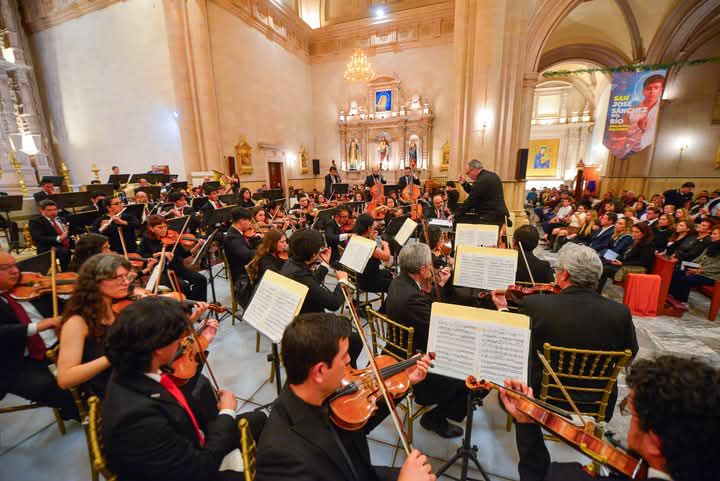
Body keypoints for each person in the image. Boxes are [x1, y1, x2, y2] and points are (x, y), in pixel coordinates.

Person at [255, 312, 436, 481]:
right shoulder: (283, 459)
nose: (349, 360)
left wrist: (405, 380)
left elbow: (357, 422)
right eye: (343, 357)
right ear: (319, 371)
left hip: (361, 468)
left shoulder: (317, 391)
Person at [102, 296, 265, 481]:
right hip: (195, 468)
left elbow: (179, 382)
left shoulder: (133, 365)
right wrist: (227, 412)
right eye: (178, 339)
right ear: (159, 348)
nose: (183, 342)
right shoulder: (138, 419)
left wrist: (202, 341)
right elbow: (201, 468)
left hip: (187, 442)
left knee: (258, 419)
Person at [501, 355, 716, 481]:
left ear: (655, 442)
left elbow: (537, 476)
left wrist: (525, 421)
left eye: (632, 413)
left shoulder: (567, 476)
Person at [491, 243, 638, 422]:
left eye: (557, 271)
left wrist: (502, 309)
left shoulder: (536, 305)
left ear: (565, 274)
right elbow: (630, 354)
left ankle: (527, 426)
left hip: (540, 398)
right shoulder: (620, 313)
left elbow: (512, 343)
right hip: (597, 402)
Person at [385, 243, 467, 439]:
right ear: (422, 270)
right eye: (430, 265)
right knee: (469, 377)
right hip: (413, 359)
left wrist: (439, 286)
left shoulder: (398, 282)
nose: (432, 268)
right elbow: (440, 328)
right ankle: (435, 418)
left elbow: (424, 305)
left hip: (397, 345)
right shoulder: (413, 300)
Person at [0, 251, 77, 419]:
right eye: (6, 268)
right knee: (50, 386)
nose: (15, 271)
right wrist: (36, 327)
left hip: (60, 343)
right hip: (20, 361)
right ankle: (81, 413)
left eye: (15, 265)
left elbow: (63, 306)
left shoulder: (30, 286)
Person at [56, 254, 133, 395]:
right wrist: (112, 357)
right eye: (118, 278)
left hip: (129, 376)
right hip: (110, 388)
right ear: (95, 282)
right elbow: (65, 379)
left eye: (126, 276)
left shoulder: (117, 308)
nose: (126, 282)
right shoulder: (77, 323)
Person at [138, 215, 208, 302]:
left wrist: (198, 245)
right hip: (161, 273)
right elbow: (144, 258)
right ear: (151, 228)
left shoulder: (172, 237)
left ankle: (201, 304)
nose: (164, 230)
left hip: (177, 267)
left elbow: (184, 254)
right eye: (160, 227)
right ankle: (190, 304)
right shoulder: (146, 241)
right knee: (183, 286)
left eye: (165, 227)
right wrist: (161, 254)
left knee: (201, 279)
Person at [280, 229, 349, 314]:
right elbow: (334, 303)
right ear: (313, 255)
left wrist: (325, 264)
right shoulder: (300, 275)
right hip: (309, 317)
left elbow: (312, 283)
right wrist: (342, 281)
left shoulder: (290, 262)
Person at [669, 224, 720, 307]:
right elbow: (699, 258)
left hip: (712, 276)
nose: (711, 236)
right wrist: (691, 266)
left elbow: (717, 267)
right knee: (678, 271)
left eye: (715, 234)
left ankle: (682, 301)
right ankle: (672, 296)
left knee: (687, 279)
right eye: (712, 234)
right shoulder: (711, 245)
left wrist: (699, 270)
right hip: (700, 270)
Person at [597, 222, 655, 292]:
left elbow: (643, 262)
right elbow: (627, 255)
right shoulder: (637, 241)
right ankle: (596, 290)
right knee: (603, 261)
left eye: (637, 232)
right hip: (626, 262)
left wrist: (622, 263)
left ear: (644, 233)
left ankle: (597, 291)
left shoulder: (648, 244)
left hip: (635, 268)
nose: (633, 234)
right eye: (632, 231)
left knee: (605, 268)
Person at [455, 159, 509, 226]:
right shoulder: (493, 175)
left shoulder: (481, 180)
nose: (468, 176)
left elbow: (471, 200)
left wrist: (456, 214)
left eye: (467, 173)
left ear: (474, 170)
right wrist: (464, 184)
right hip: (499, 216)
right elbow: (477, 192)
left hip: (490, 218)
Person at [352, 214, 393, 294]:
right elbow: (386, 257)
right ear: (369, 228)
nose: (374, 229)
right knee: (393, 285)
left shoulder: (356, 237)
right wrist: (386, 245)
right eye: (373, 227)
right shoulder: (367, 244)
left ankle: (390, 297)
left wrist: (372, 238)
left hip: (361, 276)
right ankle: (389, 301)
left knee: (388, 274)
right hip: (369, 281)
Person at [29, 199, 73, 271]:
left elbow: (69, 232)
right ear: (42, 210)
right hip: (48, 247)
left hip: (65, 243)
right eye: (49, 210)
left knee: (86, 245)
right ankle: (66, 272)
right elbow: (39, 238)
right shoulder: (36, 221)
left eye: (55, 209)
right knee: (65, 252)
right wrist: (59, 238)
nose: (53, 212)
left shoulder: (61, 219)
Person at [223, 207, 259, 284]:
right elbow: (247, 255)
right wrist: (263, 250)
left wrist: (255, 239)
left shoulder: (238, 232)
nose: (250, 223)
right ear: (241, 221)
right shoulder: (231, 238)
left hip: (247, 267)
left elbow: (249, 247)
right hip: (242, 276)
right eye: (248, 220)